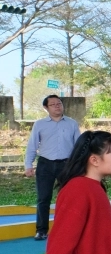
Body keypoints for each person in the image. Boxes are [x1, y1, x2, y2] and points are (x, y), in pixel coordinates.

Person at [24, 95, 80, 241]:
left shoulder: (72, 123)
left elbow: (79, 147)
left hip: (67, 165)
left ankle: (68, 228)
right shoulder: (40, 124)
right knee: (43, 198)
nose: (57, 106)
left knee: (68, 198)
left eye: (59, 103)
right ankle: (41, 230)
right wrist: (28, 165)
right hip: (45, 164)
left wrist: (80, 165)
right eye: (53, 104)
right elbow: (32, 146)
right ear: (46, 108)